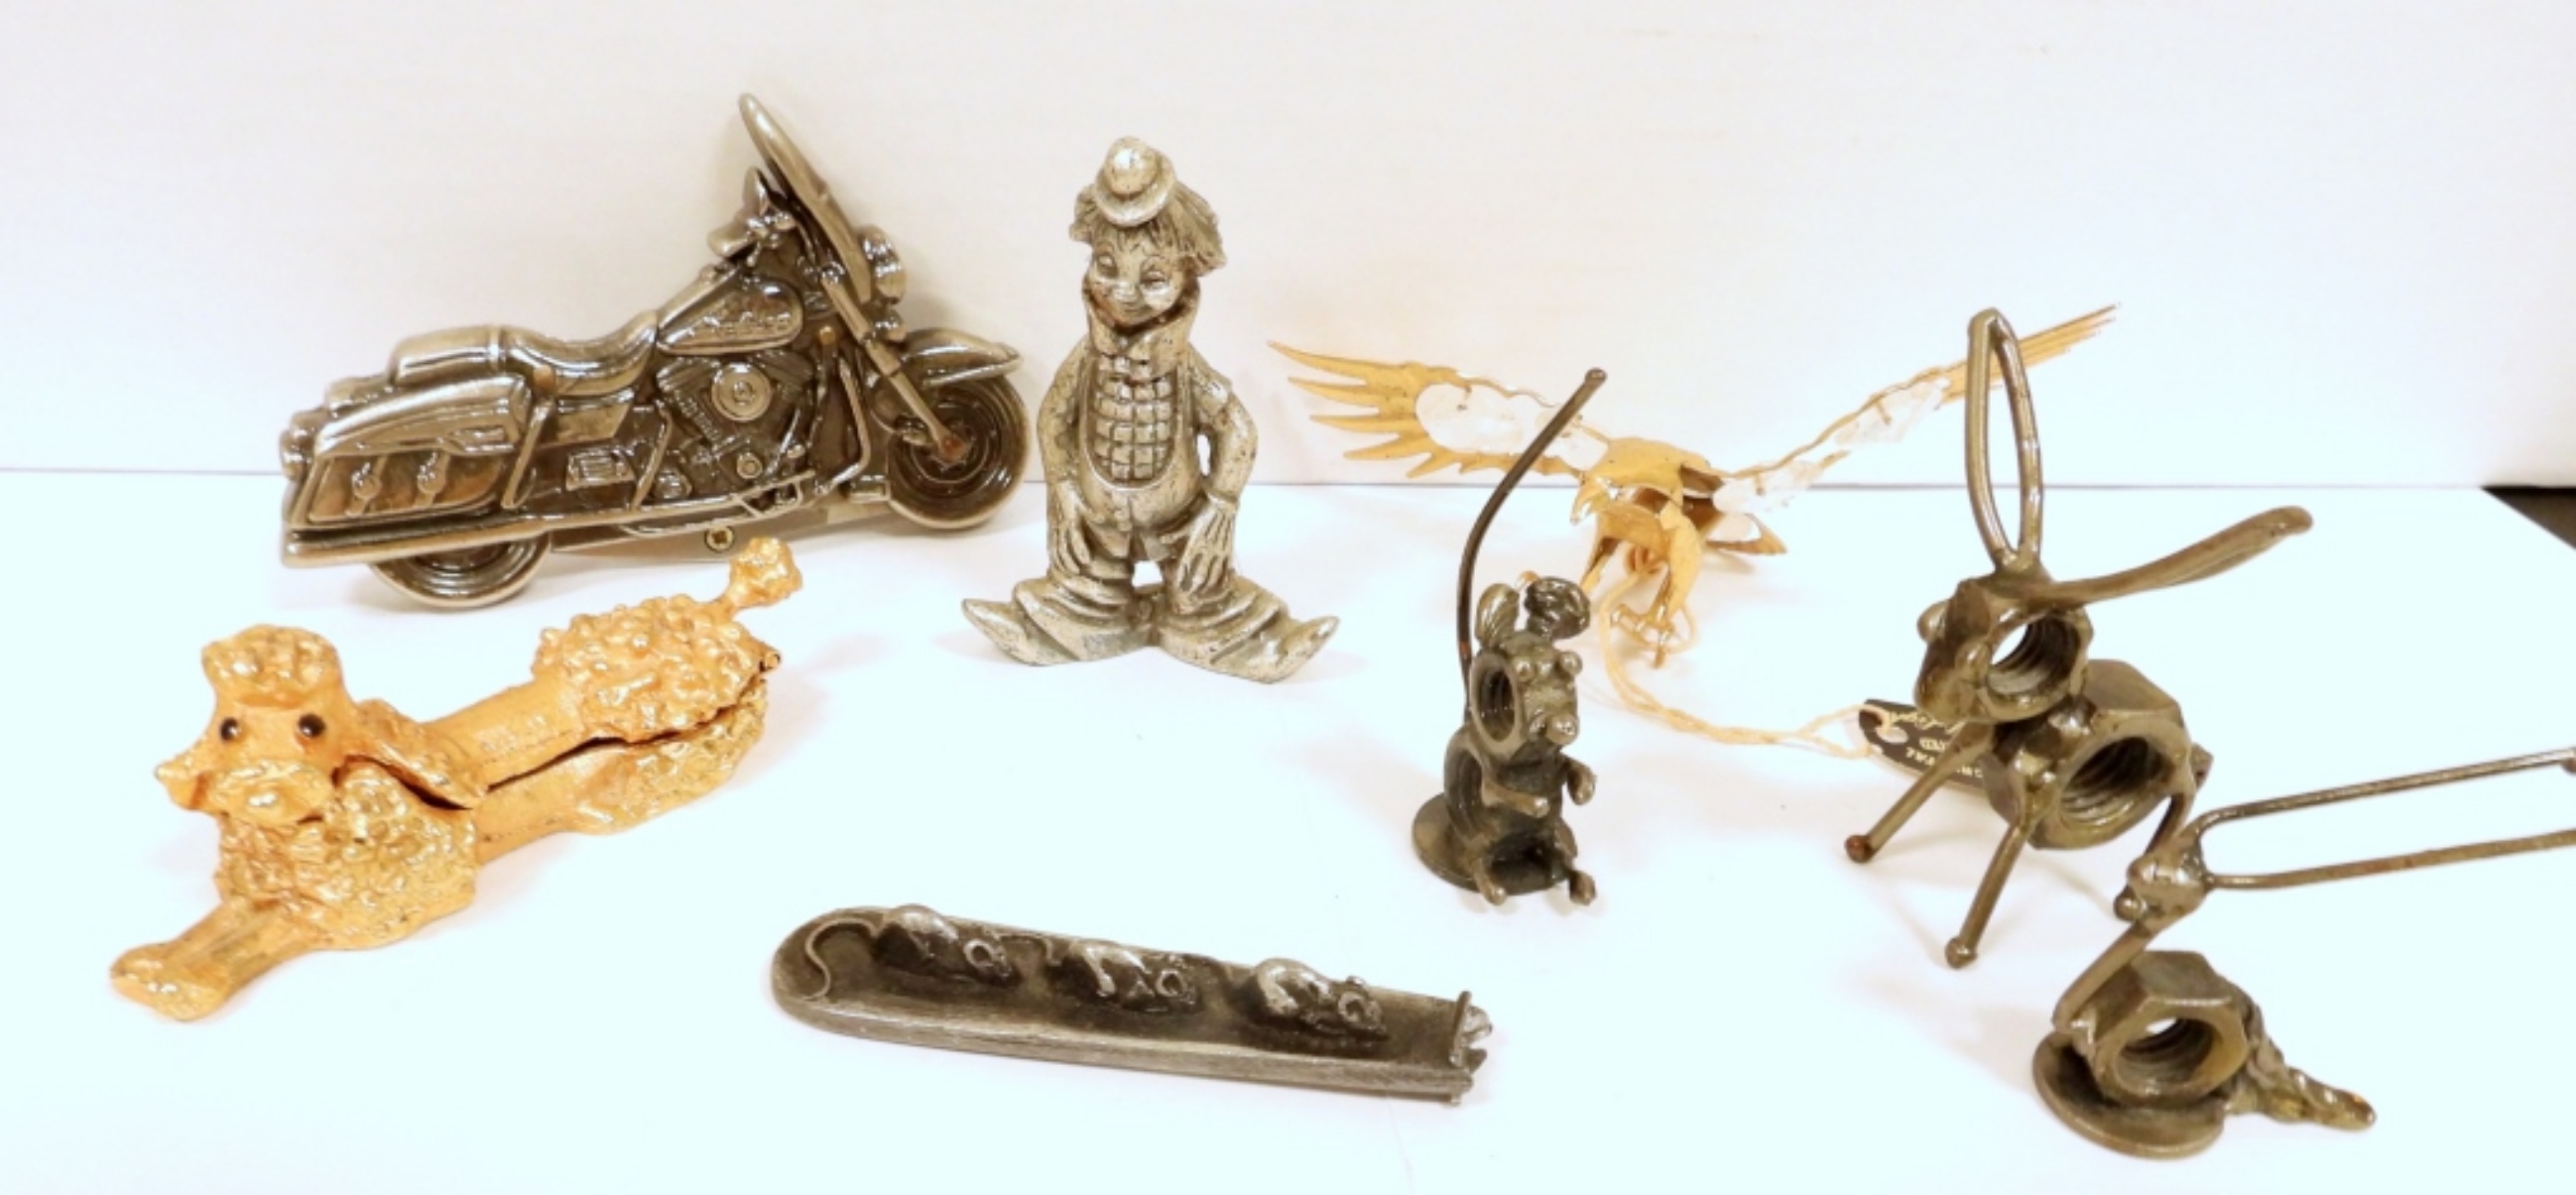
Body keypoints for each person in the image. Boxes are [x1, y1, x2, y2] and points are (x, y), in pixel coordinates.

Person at [962, 138, 1335, 682]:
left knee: (1204, 596)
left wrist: (1220, 506)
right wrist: (1063, 490)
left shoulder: (1186, 368)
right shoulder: (1085, 360)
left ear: (1187, 277)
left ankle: (1258, 640)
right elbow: (1054, 418)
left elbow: (1237, 429)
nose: (1125, 292)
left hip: (1182, 520)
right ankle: (1062, 624)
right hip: (1096, 519)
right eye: (1106, 266)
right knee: (1081, 590)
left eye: (1154, 278)